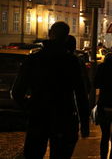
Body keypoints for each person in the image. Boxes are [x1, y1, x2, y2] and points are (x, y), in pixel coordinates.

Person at [11, 21, 90, 159]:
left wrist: (30, 106)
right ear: (66, 38)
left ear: (49, 34)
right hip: (64, 117)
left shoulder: (33, 59)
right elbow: (81, 94)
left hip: (39, 117)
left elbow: (17, 92)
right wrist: (84, 122)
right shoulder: (71, 61)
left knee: (33, 155)